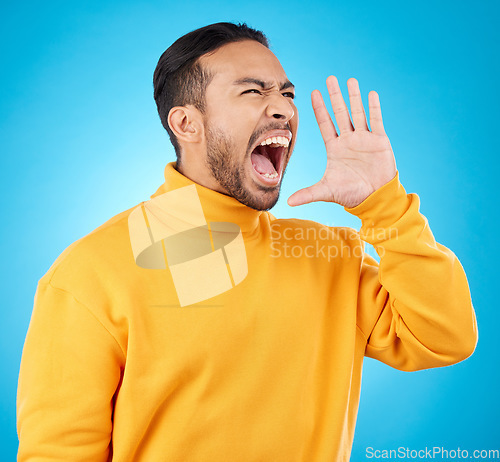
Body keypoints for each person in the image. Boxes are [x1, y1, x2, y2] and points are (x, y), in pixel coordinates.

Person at [17, 22, 478, 461]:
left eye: (286, 93)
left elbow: (444, 338)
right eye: (253, 91)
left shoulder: (328, 256)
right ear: (186, 124)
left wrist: (384, 204)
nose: (282, 108)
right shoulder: (92, 272)